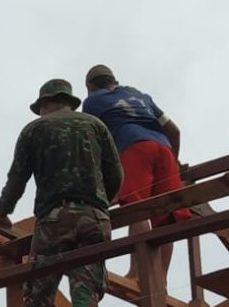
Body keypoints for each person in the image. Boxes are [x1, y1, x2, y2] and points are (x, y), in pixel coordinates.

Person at [0, 79, 122, 307]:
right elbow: (115, 173)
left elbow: (17, 179)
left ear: (44, 104)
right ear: (68, 101)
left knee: (37, 298)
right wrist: (101, 202)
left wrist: (1, 213)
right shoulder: (95, 125)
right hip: (94, 217)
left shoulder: (34, 130)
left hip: (52, 220)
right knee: (86, 293)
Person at [82, 64, 191, 277]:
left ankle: (137, 272)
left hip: (134, 147)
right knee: (165, 215)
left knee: (136, 208)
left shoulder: (93, 101)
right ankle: (160, 278)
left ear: (90, 86)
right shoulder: (141, 96)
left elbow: (91, 143)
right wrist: (175, 163)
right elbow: (174, 131)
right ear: (114, 80)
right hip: (165, 149)